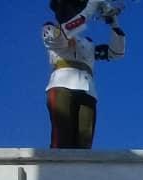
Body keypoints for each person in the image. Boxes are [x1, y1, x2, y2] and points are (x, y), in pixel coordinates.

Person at [43, 0, 127, 149]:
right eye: (70, 9)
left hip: (88, 89)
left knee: (84, 140)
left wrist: (114, 23)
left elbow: (116, 53)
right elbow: (63, 37)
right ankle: (56, 171)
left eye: (75, 10)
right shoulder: (50, 30)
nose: (71, 13)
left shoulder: (87, 43)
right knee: (61, 137)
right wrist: (90, 8)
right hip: (62, 85)